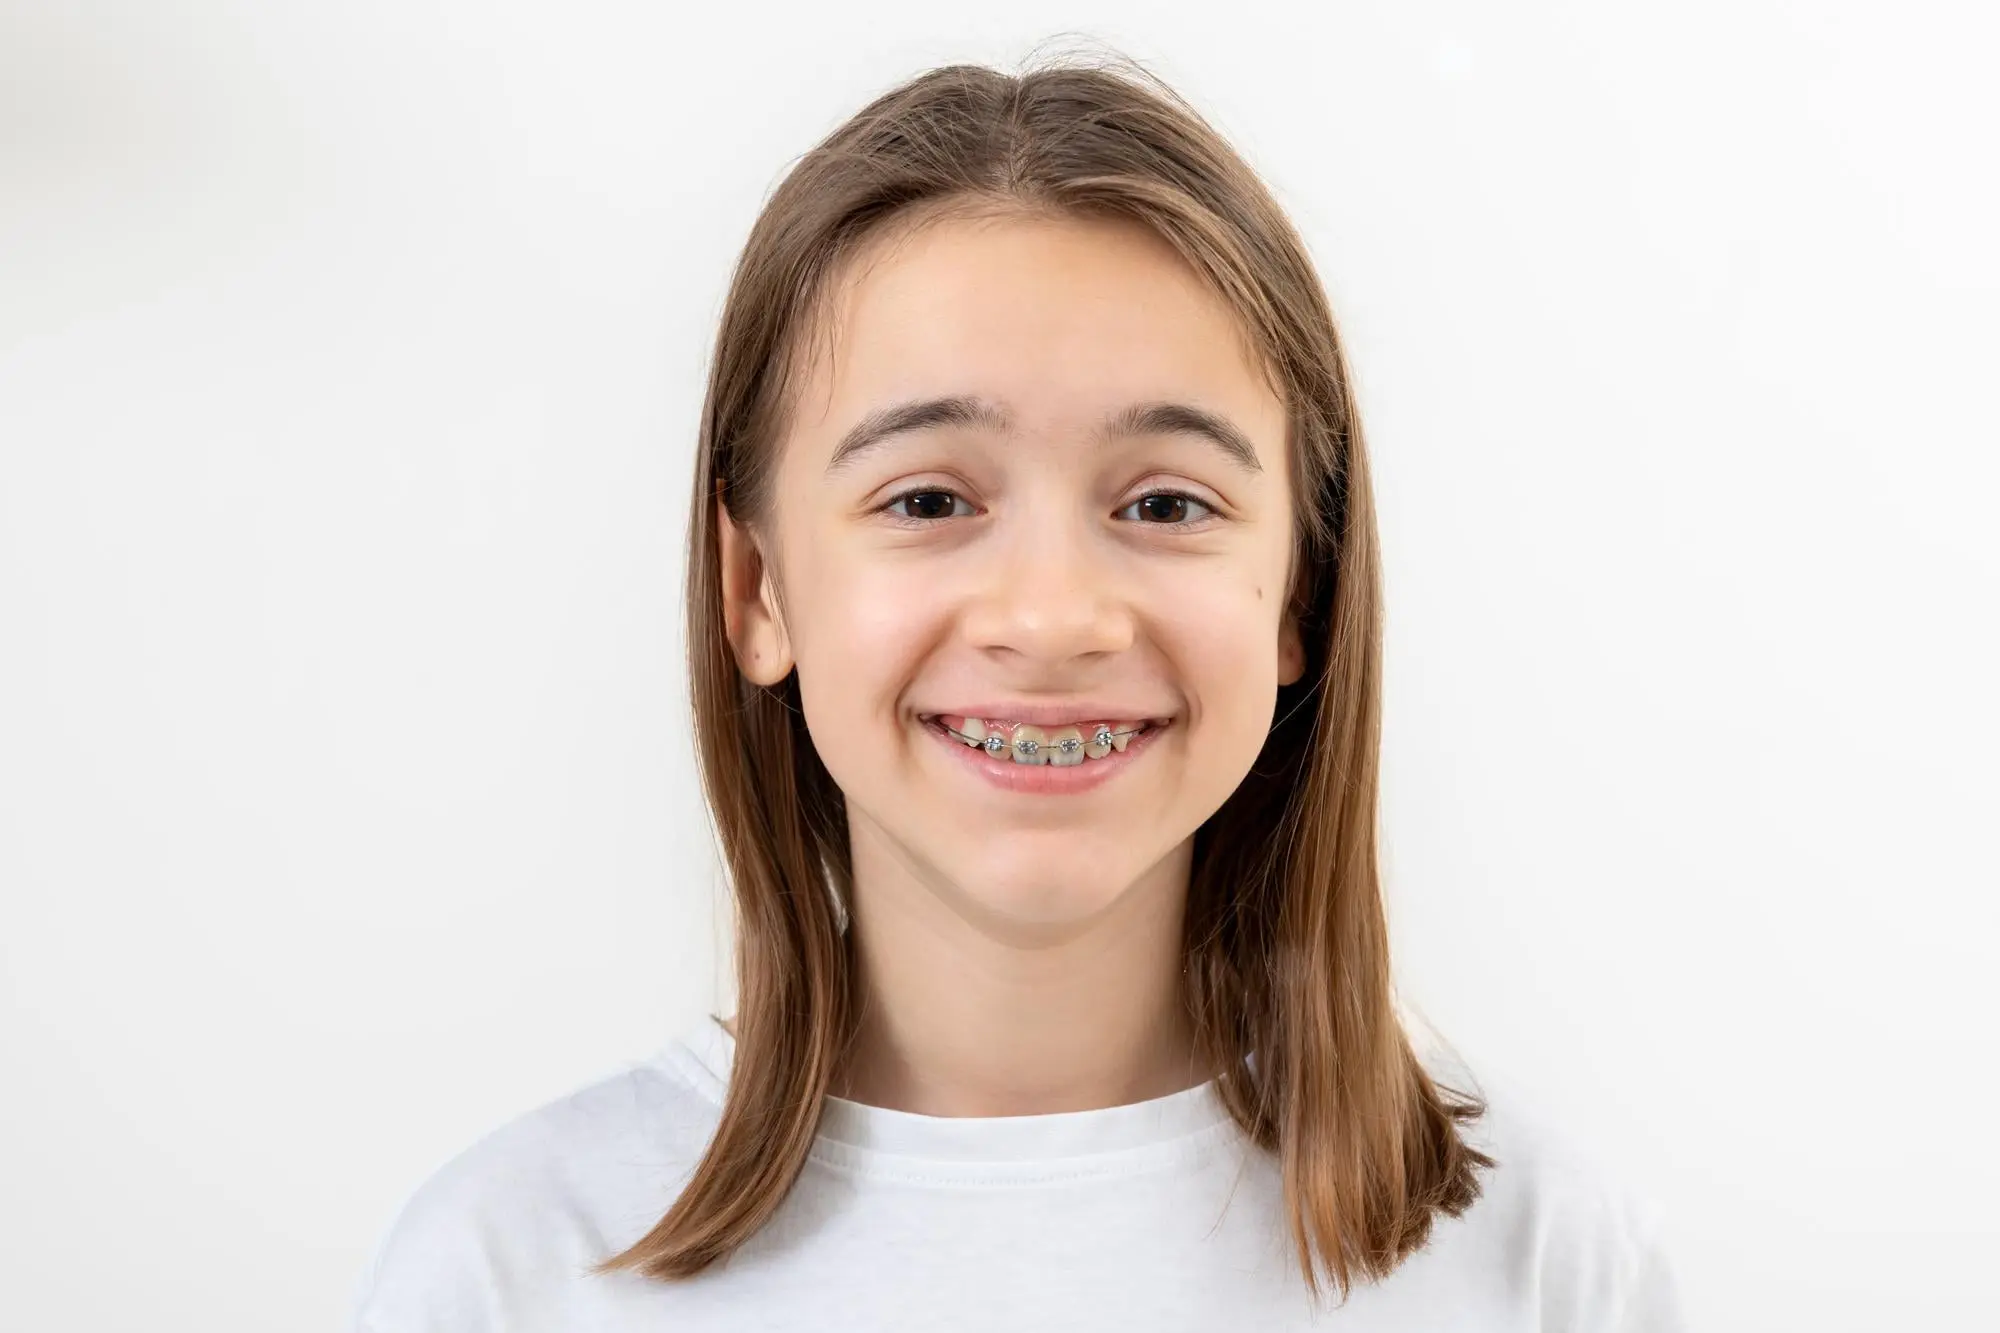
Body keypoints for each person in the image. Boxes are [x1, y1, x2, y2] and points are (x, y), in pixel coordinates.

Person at [348, 49, 1687, 1332]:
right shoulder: (508, 1271)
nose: (1051, 618)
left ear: (1301, 590)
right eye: (928, 498)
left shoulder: (1542, 1269)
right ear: (757, 589)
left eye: (1166, 501)